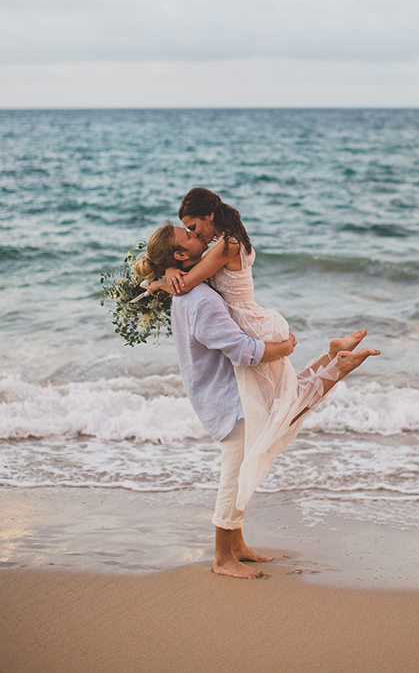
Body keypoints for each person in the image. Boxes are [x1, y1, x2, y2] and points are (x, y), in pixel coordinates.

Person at [137, 216, 379, 578]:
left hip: (228, 390)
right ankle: (222, 559)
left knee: (287, 407)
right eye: (186, 235)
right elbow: (243, 351)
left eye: (192, 228)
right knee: (235, 472)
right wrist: (282, 347)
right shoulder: (200, 299)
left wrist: (164, 273)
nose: (194, 234)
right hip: (227, 397)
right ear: (178, 255)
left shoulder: (191, 286)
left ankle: (236, 545)